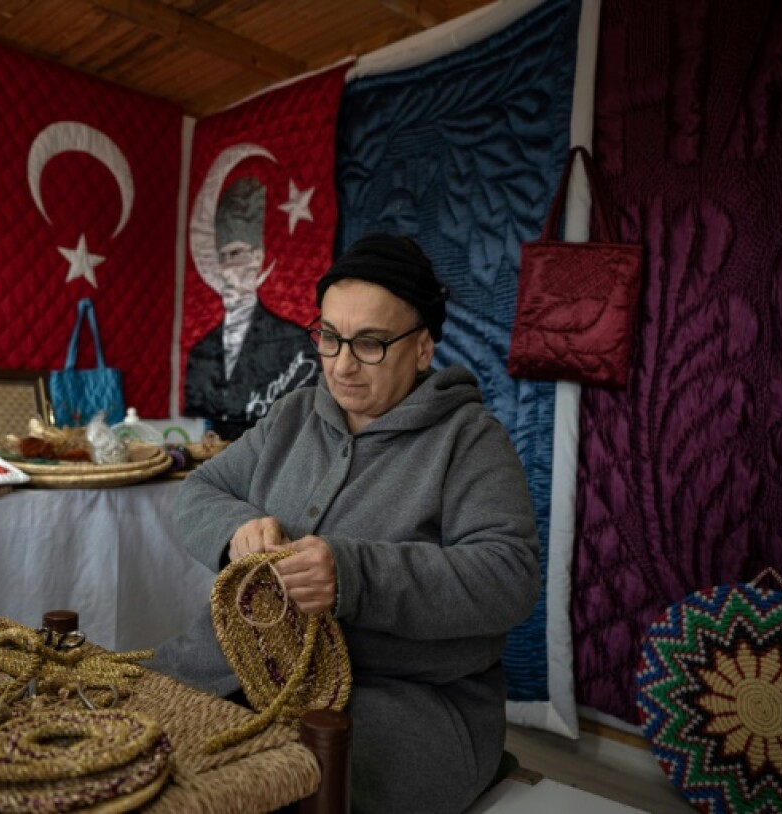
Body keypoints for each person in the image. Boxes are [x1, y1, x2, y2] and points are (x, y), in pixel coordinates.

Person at [149, 233, 542, 813]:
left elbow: (509, 577)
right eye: (330, 337)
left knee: (269, 788)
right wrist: (239, 530)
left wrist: (354, 575)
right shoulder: (293, 415)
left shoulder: (469, 440)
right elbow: (200, 490)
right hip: (238, 668)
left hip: (401, 702)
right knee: (124, 745)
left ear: (423, 348)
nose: (342, 365)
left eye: (371, 344)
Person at [184, 176, 319, 439]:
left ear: (257, 258)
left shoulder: (294, 342)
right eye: (222, 258)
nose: (227, 270)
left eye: (235, 255)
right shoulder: (201, 350)